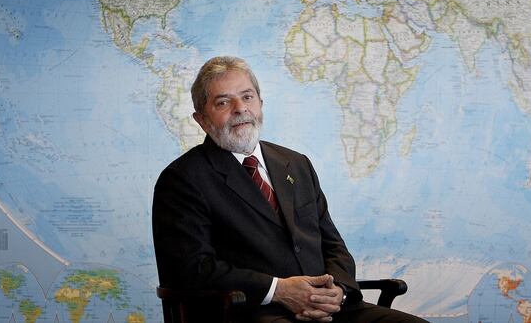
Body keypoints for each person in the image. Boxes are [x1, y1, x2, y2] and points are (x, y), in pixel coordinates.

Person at [153, 56, 428, 323]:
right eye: (223, 102)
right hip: (249, 311)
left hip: (331, 308)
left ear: (260, 104)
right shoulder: (182, 179)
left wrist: (339, 291)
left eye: (247, 97)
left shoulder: (296, 164)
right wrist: (279, 290)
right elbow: (192, 269)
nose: (240, 108)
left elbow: (333, 245)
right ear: (201, 118)